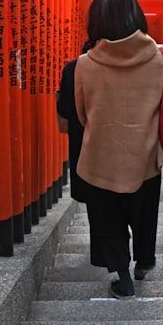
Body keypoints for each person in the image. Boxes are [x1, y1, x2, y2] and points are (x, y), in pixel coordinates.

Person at [74, 0, 163, 298]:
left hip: (101, 156)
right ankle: (145, 259)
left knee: (108, 218)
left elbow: (81, 113)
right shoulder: (158, 55)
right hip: (146, 154)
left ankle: (123, 277)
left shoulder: (85, 64)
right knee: (144, 212)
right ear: (136, 16)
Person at [56, 41, 93, 203]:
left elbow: (63, 108)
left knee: (93, 202)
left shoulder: (72, 68)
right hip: (108, 148)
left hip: (80, 138)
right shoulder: (112, 68)